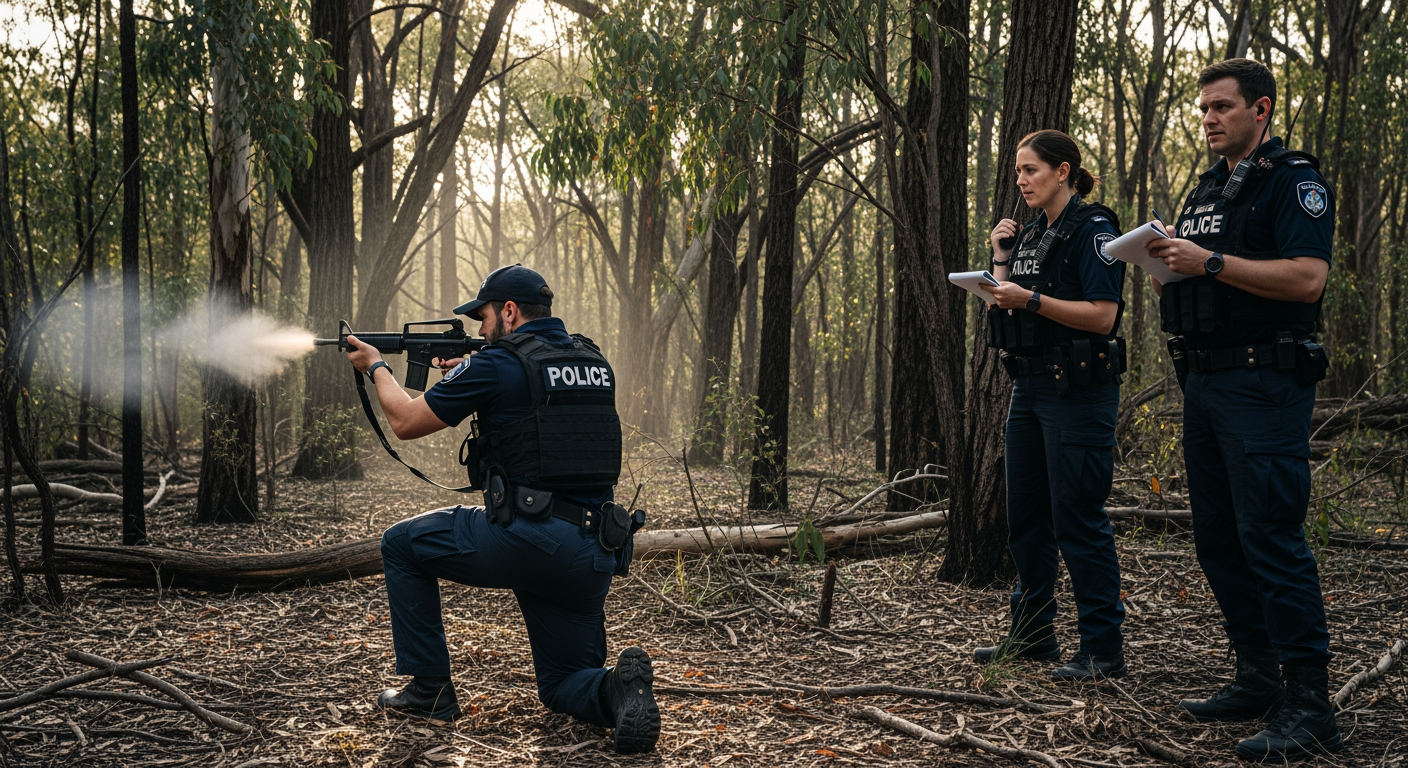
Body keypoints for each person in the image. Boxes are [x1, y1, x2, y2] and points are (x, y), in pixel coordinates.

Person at [344, 264, 660, 754]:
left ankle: (429, 692)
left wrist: (377, 367)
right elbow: (540, 422)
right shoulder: (594, 360)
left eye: (484, 317)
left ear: (509, 312)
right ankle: (617, 691)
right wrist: (466, 383)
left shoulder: (495, 363)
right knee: (562, 682)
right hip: (596, 549)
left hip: (527, 539)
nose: (480, 330)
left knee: (401, 544)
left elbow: (406, 422)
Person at [1145, 58, 1339, 762]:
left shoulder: (1293, 181)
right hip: (1204, 383)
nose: (1208, 118)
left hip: (1266, 385)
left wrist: (1212, 265)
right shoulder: (1205, 190)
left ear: (1260, 110)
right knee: (1218, 538)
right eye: (1203, 108)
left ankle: (1311, 705)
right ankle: (1257, 678)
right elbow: (1196, 267)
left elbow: (1308, 276)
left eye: (1222, 107)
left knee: (1271, 537)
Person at [976, 130, 1128, 681]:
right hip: (1030, 389)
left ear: (1063, 171)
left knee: (1077, 518)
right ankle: (1033, 633)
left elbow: (1102, 316)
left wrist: (1032, 298)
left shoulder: (1094, 229)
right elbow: (1009, 314)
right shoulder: (1031, 235)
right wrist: (1000, 261)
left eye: (1031, 170)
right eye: (1018, 171)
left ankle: (1102, 649)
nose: (1021, 180)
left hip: (1079, 392)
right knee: (1028, 518)